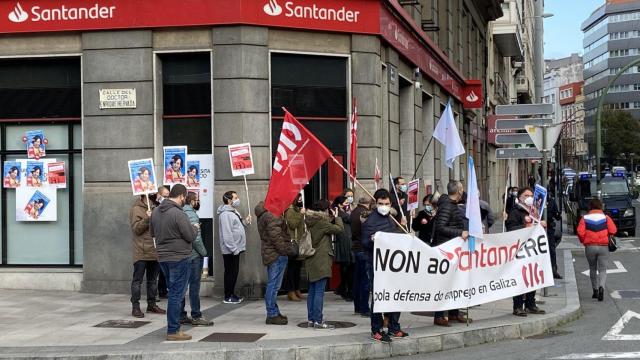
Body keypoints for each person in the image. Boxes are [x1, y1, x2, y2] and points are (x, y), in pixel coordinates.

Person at [150, 184, 197, 341]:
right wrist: (195, 228)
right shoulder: (179, 213)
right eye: (185, 197)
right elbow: (190, 236)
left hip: (163, 257)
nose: (185, 200)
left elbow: (152, 233)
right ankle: (173, 330)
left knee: (173, 292)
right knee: (177, 294)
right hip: (179, 257)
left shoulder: (156, 211)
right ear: (182, 196)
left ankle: (173, 327)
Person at [362, 189, 409, 343]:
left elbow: (394, 237)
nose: (384, 206)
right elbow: (364, 243)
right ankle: (376, 329)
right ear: (376, 204)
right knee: (378, 297)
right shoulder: (371, 221)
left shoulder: (390, 218)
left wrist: (403, 230)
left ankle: (394, 327)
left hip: (392, 265)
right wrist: (373, 239)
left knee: (395, 294)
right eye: (381, 204)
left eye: (387, 204)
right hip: (376, 265)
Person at [432, 181, 470, 326]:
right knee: (444, 284)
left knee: (455, 282)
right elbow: (441, 227)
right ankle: (439, 316)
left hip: (453, 249)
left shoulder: (451, 205)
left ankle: (454, 313)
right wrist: (460, 232)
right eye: (462, 189)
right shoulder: (447, 206)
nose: (463, 191)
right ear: (459, 191)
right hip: (445, 250)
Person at [255, 201, 298, 325]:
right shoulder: (272, 215)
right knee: (273, 286)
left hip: (272, 253)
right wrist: (286, 250)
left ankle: (274, 311)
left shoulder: (264, 214)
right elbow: (276, 238)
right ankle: (272, 314)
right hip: (276, 255)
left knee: (273, 285)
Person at [304, 199, 344, 329]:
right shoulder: (322, 223)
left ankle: (311, 319)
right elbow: (339, 229)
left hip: (311, 258)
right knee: (319, 291)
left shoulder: (310, 220)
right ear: (325, 210)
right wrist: (337, 217)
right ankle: (318, 321)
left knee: (312, 290)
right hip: (321, 259)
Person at [506, 187, 546, 316]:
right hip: (520, 250)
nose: (529, 197)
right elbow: (511, 228)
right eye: (526, 195)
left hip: (532, 249)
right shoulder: (515, 211)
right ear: (520, 197)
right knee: (519, 277)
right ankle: (517, 306)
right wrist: (526, 226)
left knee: (532, 276)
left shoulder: (534, 211)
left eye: (531, 195)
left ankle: (530, 304)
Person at [129, 193, 166, 318]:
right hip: (141, 250)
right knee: (137, 281)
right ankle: (135, 307)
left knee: (152, 280)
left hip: (155, 249)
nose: (157, 197)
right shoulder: (136, 209)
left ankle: (152, 304)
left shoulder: (156, 208)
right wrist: (147, 218)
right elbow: (136, 229)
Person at [179, 192, 213, 326]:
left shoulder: (180, 212)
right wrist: (204, 252)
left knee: (182, 286)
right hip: (193, 256)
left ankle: (181, 314)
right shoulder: (191, 214)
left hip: (184, 254)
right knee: (194, 286)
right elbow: (196, 237)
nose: (198, 202)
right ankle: (196, 315)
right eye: (197, 200)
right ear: (192, 201)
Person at [577, 198, 617, 302]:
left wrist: (584, 240)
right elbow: (613, 230)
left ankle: (595, 290)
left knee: (592, 268)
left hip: (590, 247)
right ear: (600, 206)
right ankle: (601, 287)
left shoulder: (584, 218)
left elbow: (580, 232)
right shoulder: (605, 217)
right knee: (603, 269)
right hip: (603, 246)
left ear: (590, 207)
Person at [217, 190, 250, 304]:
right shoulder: (225, 214)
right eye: (235, 198)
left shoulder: (233, 211)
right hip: (230, 250)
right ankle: (228, 296)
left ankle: (232, 293)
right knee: (230, 272)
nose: (237, 199)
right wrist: (234, 249)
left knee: (234, 272)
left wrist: (245, 222)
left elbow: (237, 226)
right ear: (229, 200)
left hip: (235, 249)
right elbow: (227, 234)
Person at [351, 197, 371, 317]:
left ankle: (358, 306)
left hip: (356, 248)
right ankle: (364, 308)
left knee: (357, 279)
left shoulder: (354, 212)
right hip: (363, 249)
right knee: (365, 280)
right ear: (367, 204)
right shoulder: (364, 214)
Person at [283, 193, 305, 302]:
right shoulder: (290, 210)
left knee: (297, 269)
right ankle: (290, 291)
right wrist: (301, 214)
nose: (301, 200)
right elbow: (292, 224)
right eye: (299, 198)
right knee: (292, 269)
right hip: (293, 243)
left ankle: (297, 289)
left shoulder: (297, 210)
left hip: (300, 242)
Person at [332, 195, 353, 301]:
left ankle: (342, 288)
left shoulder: (342, 212)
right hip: (344, 242)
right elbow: (349, 219)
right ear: (340, 205)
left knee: (347, 267)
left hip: (346, 240)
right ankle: (344, 289)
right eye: (345, 203)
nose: (347, 205)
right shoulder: (340, 213)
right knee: (345, 267)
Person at [156, 186, 170, 299]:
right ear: (158, 195)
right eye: (164, 196)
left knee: (163, 271)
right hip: (156, 244)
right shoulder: (155, 208)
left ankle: (163, 290)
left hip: (165, 244)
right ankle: (157, 291)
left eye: (168, 196)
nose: (166, 199)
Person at [546, 194, 564, 280]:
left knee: (552, 250)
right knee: (550, 250)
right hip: (538, 229)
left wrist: (558, 215)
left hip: (549, 228)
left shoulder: (551, 202)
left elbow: (556, 216)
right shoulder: (536, 202)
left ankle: (553, 270)